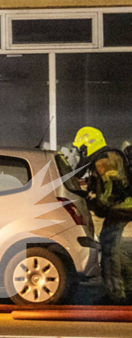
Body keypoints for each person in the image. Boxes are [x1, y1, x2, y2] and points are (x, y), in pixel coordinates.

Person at [71, 126, 132, 304]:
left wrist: (94, 203)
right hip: (122, 208)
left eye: (80, 148)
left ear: (87, 145)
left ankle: (117, 296)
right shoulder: (107, 157)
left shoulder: (103, 161)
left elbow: (112, 192)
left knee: (109, 249)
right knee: (114, 248)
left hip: (120, 209)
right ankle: (122, 291)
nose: (80, 153)